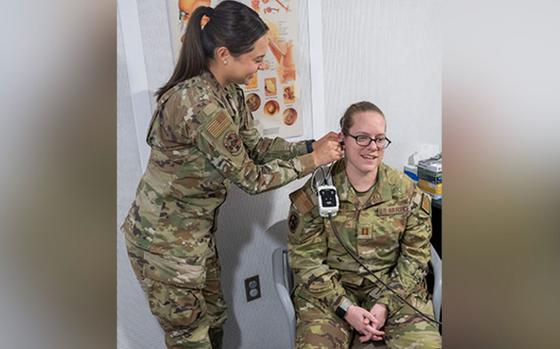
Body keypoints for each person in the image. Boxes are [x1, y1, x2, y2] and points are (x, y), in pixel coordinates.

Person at [121, 2, 342, 348]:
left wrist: (311, 145)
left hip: (195, 236)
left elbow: (256, 147)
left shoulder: (230, 95)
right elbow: (251, 178)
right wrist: (313, 161)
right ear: (225, 54)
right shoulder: (199, 105)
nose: (263, 65)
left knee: (215, 320)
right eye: (256, 58)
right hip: (164, 245)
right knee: (190, 339)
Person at [287, 101, 442, 348]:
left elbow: (415, 256)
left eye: (380, 139)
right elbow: (306, 260)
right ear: (342, 140)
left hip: (393, 289)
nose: (373, 148)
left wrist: (385, 305)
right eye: (362, 138)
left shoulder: (406, 191)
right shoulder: (318, 192)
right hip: (330, 294)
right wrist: (346, 308)